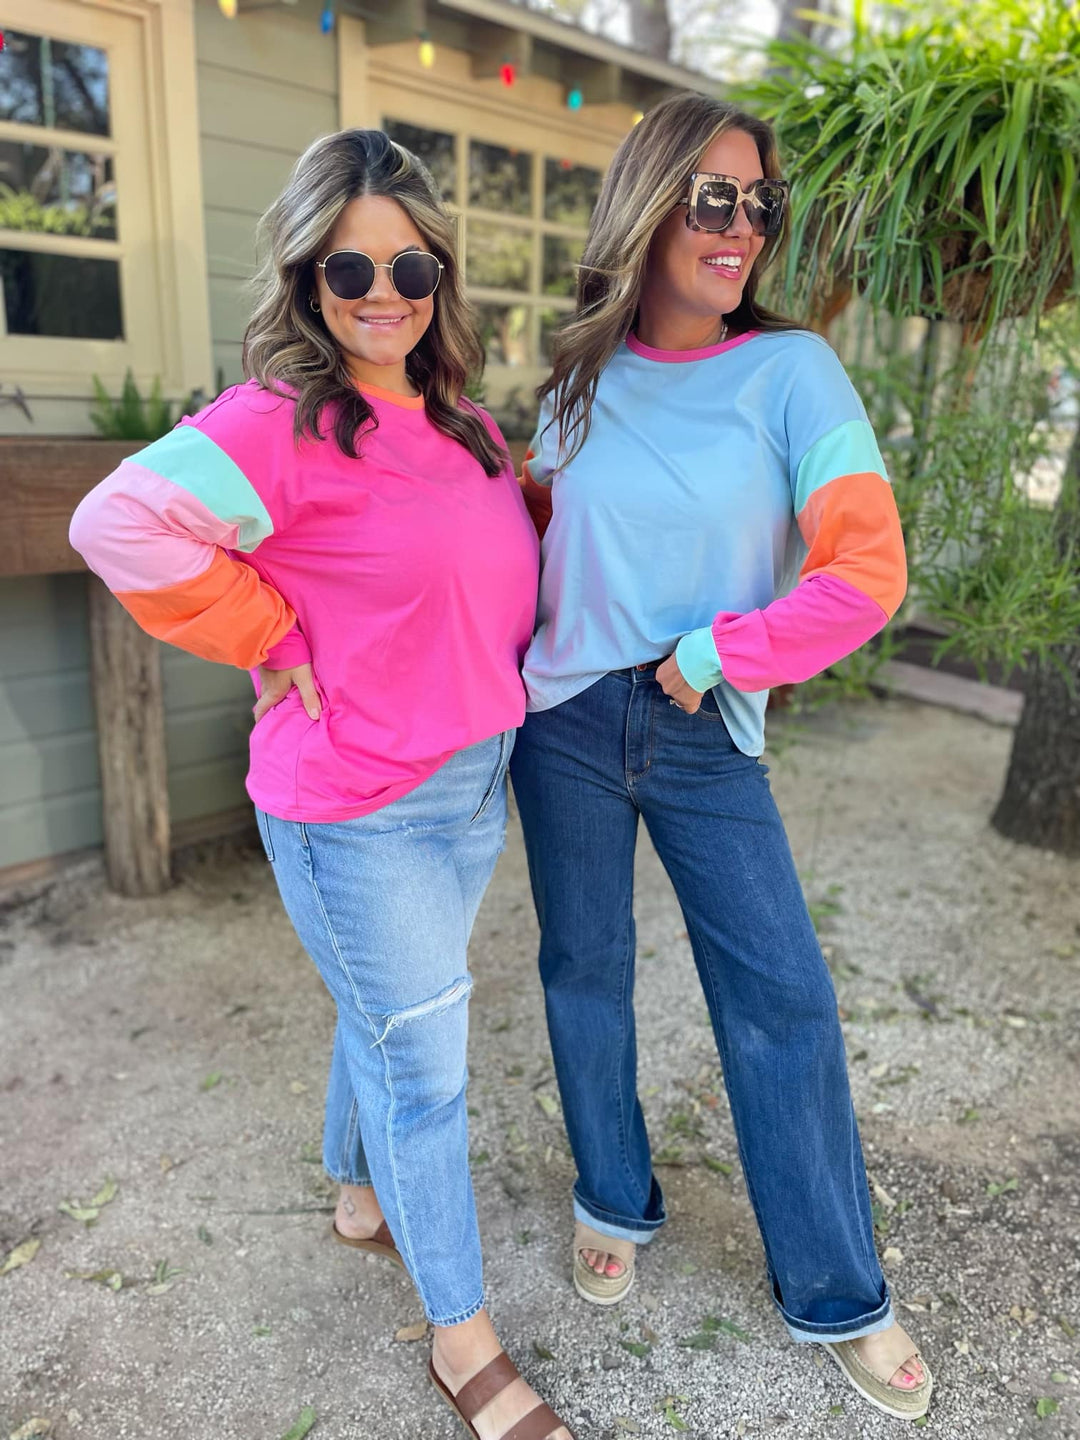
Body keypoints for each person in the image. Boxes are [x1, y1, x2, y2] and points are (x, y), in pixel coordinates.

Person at [70, 129, 573, 1440]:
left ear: (440, 273)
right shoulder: (276, 423)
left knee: (394, 1011)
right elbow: (114, 522)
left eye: (411, 266)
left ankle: (359, 1197)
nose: (383, 293)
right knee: (430, 1067)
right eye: (351, 268)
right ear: (307, 277)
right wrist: (270, 633)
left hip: (474, 780)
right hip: (358, 806)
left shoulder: (463, 420)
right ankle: (463, 1341)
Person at [510, 93, 932, 1423]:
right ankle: (612, 1199)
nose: (740, 224)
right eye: (711, 198)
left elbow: (867, 573)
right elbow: (529, 545)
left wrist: (715, 653)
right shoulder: (574, 379)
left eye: (759, 202)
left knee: (782, 999)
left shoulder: (794, 372)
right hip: (563, 724)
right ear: (648, 207)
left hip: (701, 722)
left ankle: (838, 1289)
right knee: (583, 970)